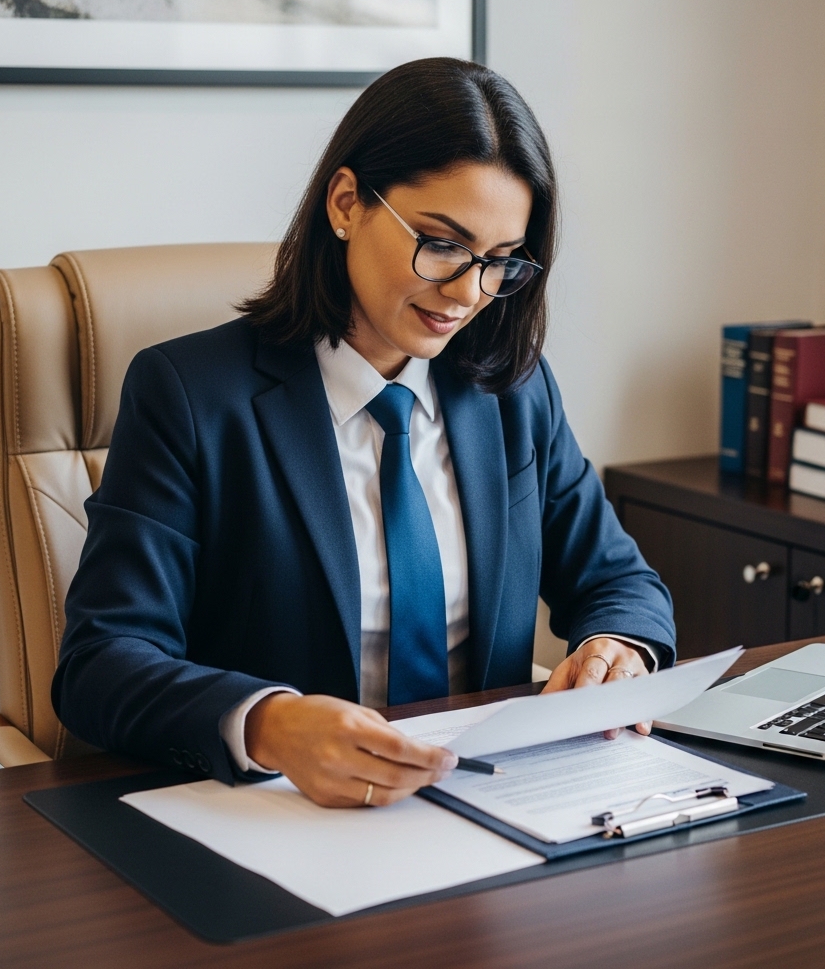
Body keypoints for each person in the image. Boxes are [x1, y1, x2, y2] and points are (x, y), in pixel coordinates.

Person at [53, 57, 675, 809]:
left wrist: (618, 649)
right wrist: (271, 725)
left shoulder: (511, 391)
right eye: (442, 244)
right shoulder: (189, 395)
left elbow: (618, 581)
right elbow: (101, 662)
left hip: (488, 811)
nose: (468, 293)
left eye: (500, 263)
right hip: (283, 816)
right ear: (346, 203)